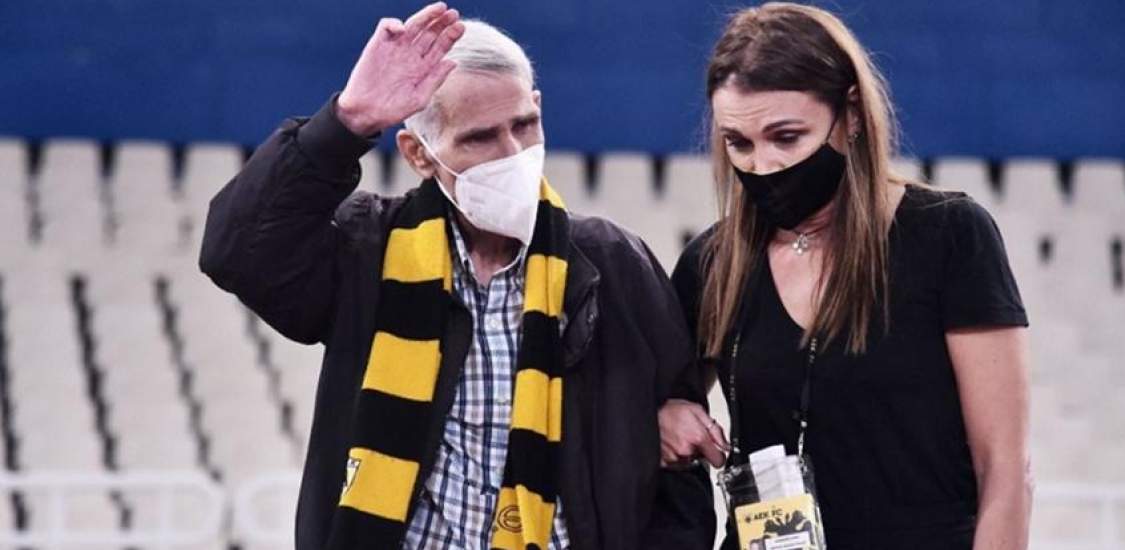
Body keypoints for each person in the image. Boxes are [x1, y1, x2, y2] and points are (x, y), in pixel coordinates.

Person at [199, 4, 712, 549]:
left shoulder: (612, 263)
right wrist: (348, 121)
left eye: (524, 125)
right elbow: (236, 250)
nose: (512, 154)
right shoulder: (367, 250)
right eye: (479, 138)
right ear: (419, 154)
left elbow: (679, 463)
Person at [658, 3, 1032, 549]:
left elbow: (1004, 468)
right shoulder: (711, 263)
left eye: (787, 137)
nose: (763, 165)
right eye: (739, 143)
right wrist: (666, 414)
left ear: (851, 114)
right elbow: (646, 406)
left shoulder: (949, 235)